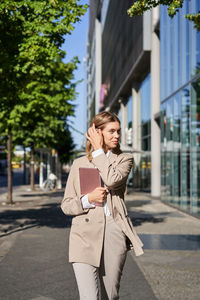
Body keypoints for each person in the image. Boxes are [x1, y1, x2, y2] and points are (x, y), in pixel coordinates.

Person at [61, 111, 143, 300]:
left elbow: (112, 180)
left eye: (118, 131)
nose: (117, 136)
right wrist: (87, 199)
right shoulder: (78, 163)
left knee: (110, 296)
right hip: (83, 234)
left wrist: (98, 151)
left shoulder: (124, 159)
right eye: (112, 131)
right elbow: (66, 205)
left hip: (113, 231)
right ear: (97, 133)